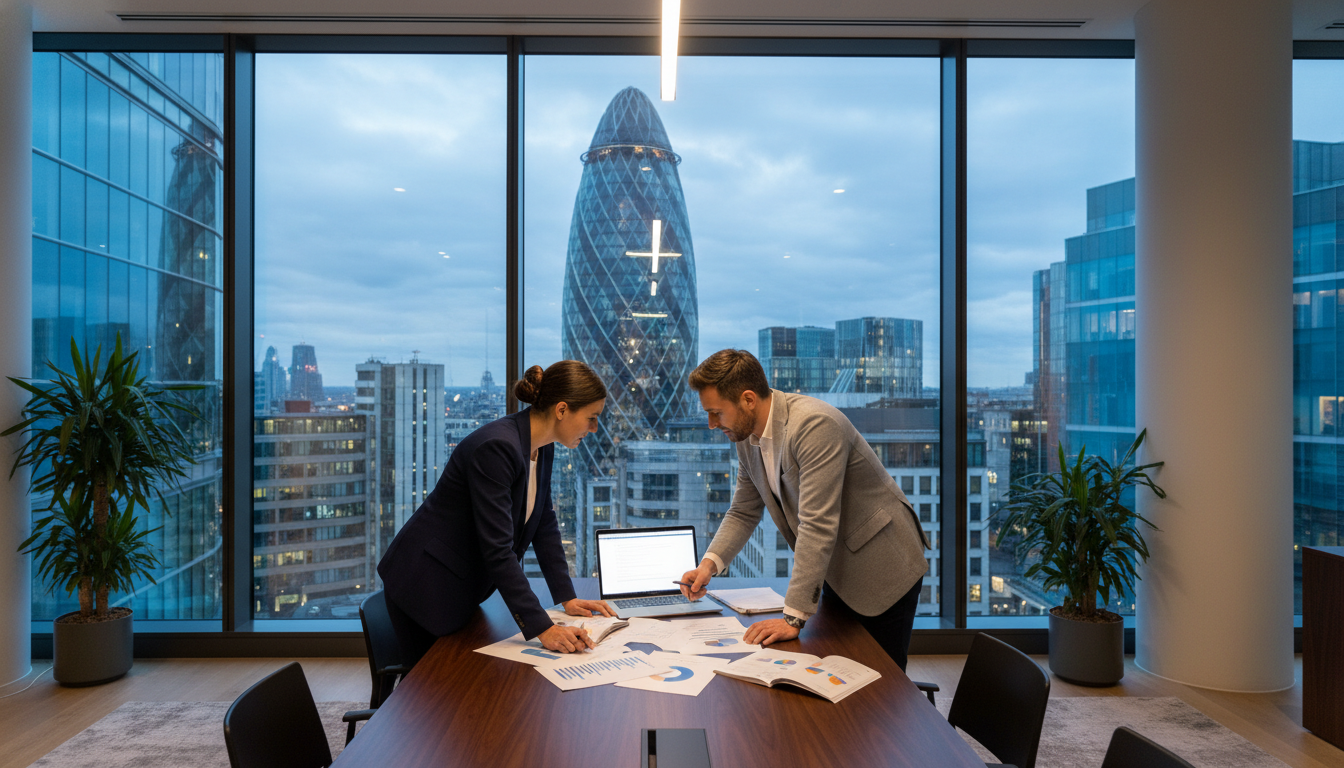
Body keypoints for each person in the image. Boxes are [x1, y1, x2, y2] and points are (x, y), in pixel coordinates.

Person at [678, 349, 930, 671]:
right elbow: (743, 510)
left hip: (882, 565)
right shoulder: (746, 437)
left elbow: (817, 524)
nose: (712, 424)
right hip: (836, 568)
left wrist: (792, 617)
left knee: (882, 685)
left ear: (748, 399)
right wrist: (708, 566)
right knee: (839, 673)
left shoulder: (814, 425)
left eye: (716, 413)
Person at [377, 360, 614, 667]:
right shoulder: (497, 447)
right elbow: (498, 548)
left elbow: (544, 524)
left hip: (459, 586)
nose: (594, 428)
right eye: (592, 418)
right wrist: (543, 627)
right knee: (429, 695)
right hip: (425, 585)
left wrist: (565, 597)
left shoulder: (542, 446)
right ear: (562, 409)